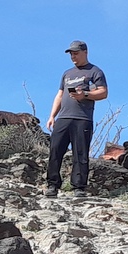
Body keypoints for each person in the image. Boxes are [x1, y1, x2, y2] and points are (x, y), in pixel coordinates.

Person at [44, 40, 108, 198]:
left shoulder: (95, 71)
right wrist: (52, 116)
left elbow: (103, 92)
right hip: (63, 117)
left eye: (76, 53)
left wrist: (84, 94)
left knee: (80, 153)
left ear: (85, 52)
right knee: (55, 150)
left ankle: (78, 188)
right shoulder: (67, 73)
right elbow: (60, 95)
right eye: (71, 54)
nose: (73, 56)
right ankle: (52, 185)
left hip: (82, 118)